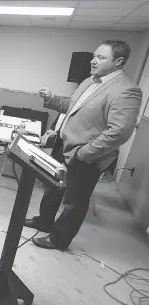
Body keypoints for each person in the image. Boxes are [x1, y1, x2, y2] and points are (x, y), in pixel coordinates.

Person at [25, 40, 142, 250]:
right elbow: (74, 107)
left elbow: (119, 132)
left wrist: (84, 153)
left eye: (101, 57)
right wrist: (52, 98)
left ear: (119, 61)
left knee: (74, 201)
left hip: (85, 156)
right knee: (52, 189)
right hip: (63, 144)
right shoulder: (89, 81)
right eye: (94, 56)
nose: (93, 60)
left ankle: (59, 239)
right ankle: (44, 221)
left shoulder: (127, 90)